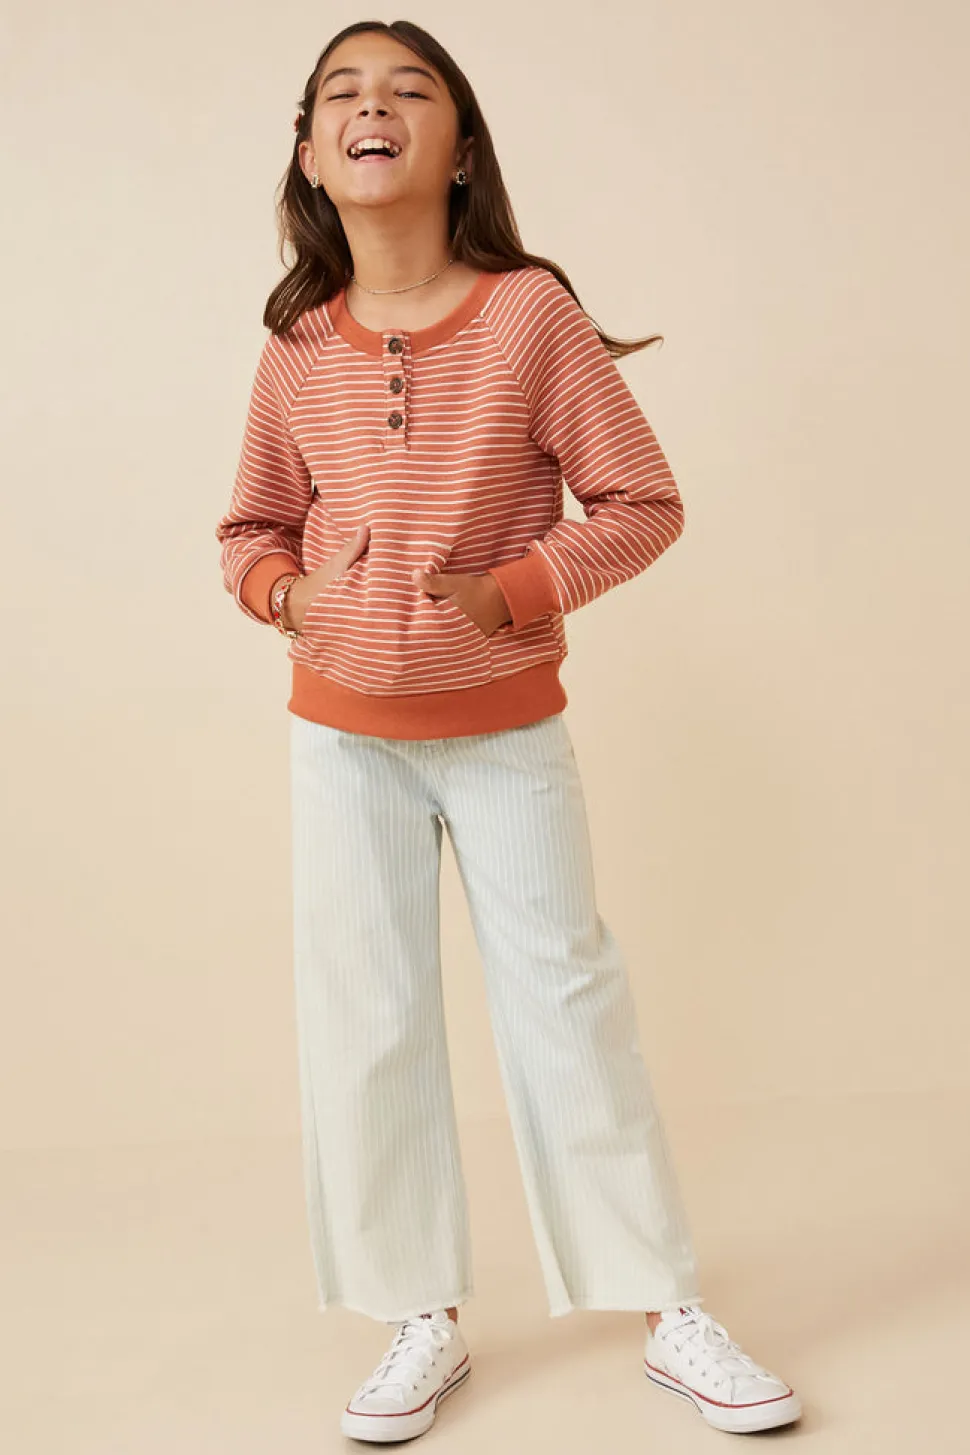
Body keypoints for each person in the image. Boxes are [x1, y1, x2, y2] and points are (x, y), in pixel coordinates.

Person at [214, 17, 802, 1445]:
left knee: (565, 999)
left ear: (460, 146)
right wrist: (288, 594)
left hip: (503, 731)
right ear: (311, 152)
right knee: (365, 1016)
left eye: (408, 89)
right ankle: (416, 1311)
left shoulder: (530, 316)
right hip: (341, 737)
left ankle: (662, 1303)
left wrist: (518, 588)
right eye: (343, 93)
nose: (373, 107)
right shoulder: (296, 344)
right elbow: (249, 527)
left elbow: (643, 502)